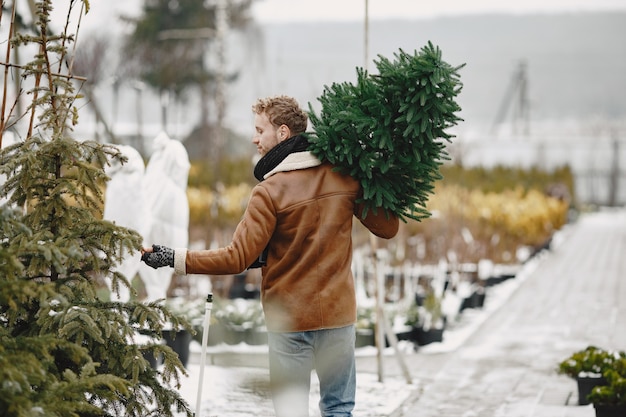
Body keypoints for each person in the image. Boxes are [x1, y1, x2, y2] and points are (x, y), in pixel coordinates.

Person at [141, 95, 399, 417]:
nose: (253, 138)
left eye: (259, 130)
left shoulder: (269, 191)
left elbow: (236, 258)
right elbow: (388, 228)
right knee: (339, 409)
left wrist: (174, 257)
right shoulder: (343, 175)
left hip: (289, 322)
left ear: (282, 133)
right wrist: (373, 174)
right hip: (337, 316)